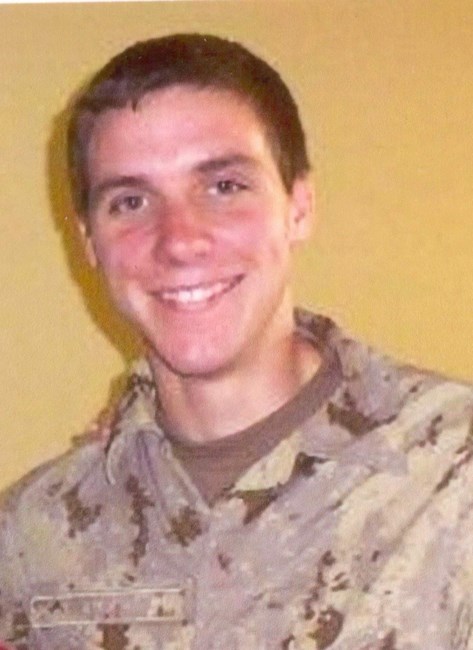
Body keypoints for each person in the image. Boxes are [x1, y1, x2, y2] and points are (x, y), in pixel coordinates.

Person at [1, 33, 472, 650]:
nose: (179, 240)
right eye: (131, 201)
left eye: (224, 186)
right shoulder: (30, 539)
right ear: (90, 242)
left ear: (299, 205)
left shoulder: (451, 474)